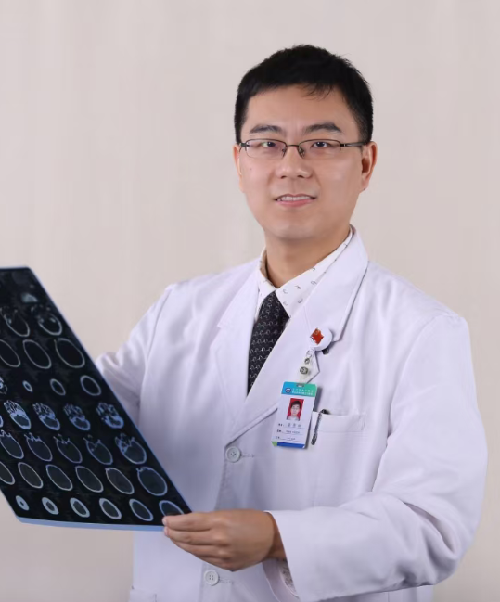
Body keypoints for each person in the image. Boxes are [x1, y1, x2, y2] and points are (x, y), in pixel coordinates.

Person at [97, 45, 487, 602]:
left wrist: (281, 537)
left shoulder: (421, 331)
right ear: (240, 164)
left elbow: (433, 526)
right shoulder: (179, 311)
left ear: (366, 164)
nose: (291, 166)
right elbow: (86, 420)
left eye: (321, 144)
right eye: (267, 143)